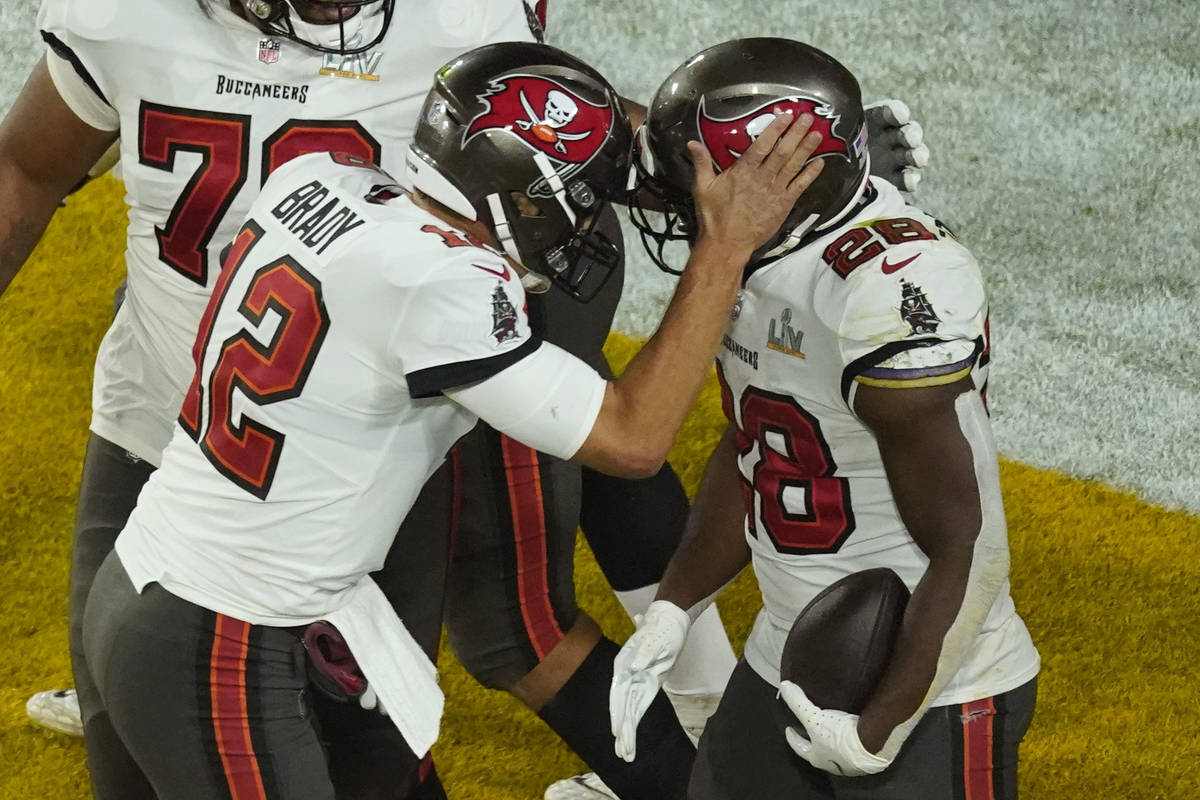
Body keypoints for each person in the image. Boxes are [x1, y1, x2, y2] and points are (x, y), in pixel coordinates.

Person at [1, 1, 925, 796]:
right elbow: (634, 439)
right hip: (219, 585)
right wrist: (734, 239)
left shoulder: (307, 182)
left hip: (188, 523)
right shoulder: (449, 294)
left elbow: (580, 132)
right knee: (509, 628)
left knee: (384, 749)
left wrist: (796, 162)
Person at [609, 37, 1040, 799]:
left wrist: (881, 729)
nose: (685, 205)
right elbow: (760, 446)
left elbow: (970, 546)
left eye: (700, 184)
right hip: (794, 648)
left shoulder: (885, 289)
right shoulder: (764, 252)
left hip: (931, 682)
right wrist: (674, 607)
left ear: (782, 186)